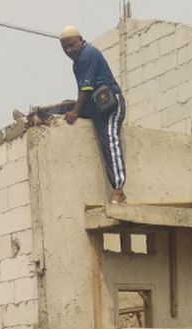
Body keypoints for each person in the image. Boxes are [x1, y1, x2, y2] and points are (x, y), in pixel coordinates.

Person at [59, 25, 128, 204]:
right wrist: (74, 108)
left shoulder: (88, 54)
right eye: (64, 47)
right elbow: (85, 89)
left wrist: (76, 111)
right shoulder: (77, 63)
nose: (68, 50)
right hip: (96, 106)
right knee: (66, 106)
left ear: (80, 40)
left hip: (110, 104)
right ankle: (39, 113)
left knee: (111, 141)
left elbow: (87, 87)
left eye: (71, 45)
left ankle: (118, 189)